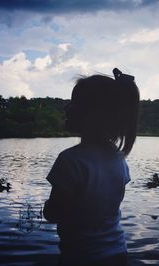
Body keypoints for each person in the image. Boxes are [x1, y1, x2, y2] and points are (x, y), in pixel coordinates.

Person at [43, 68, 140, 266]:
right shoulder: (118, 159)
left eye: (74, 103)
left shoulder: (71, 160)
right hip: (118, 253)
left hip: (82, 257)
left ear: (92, 115)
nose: (66, 108)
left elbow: (53, 213)